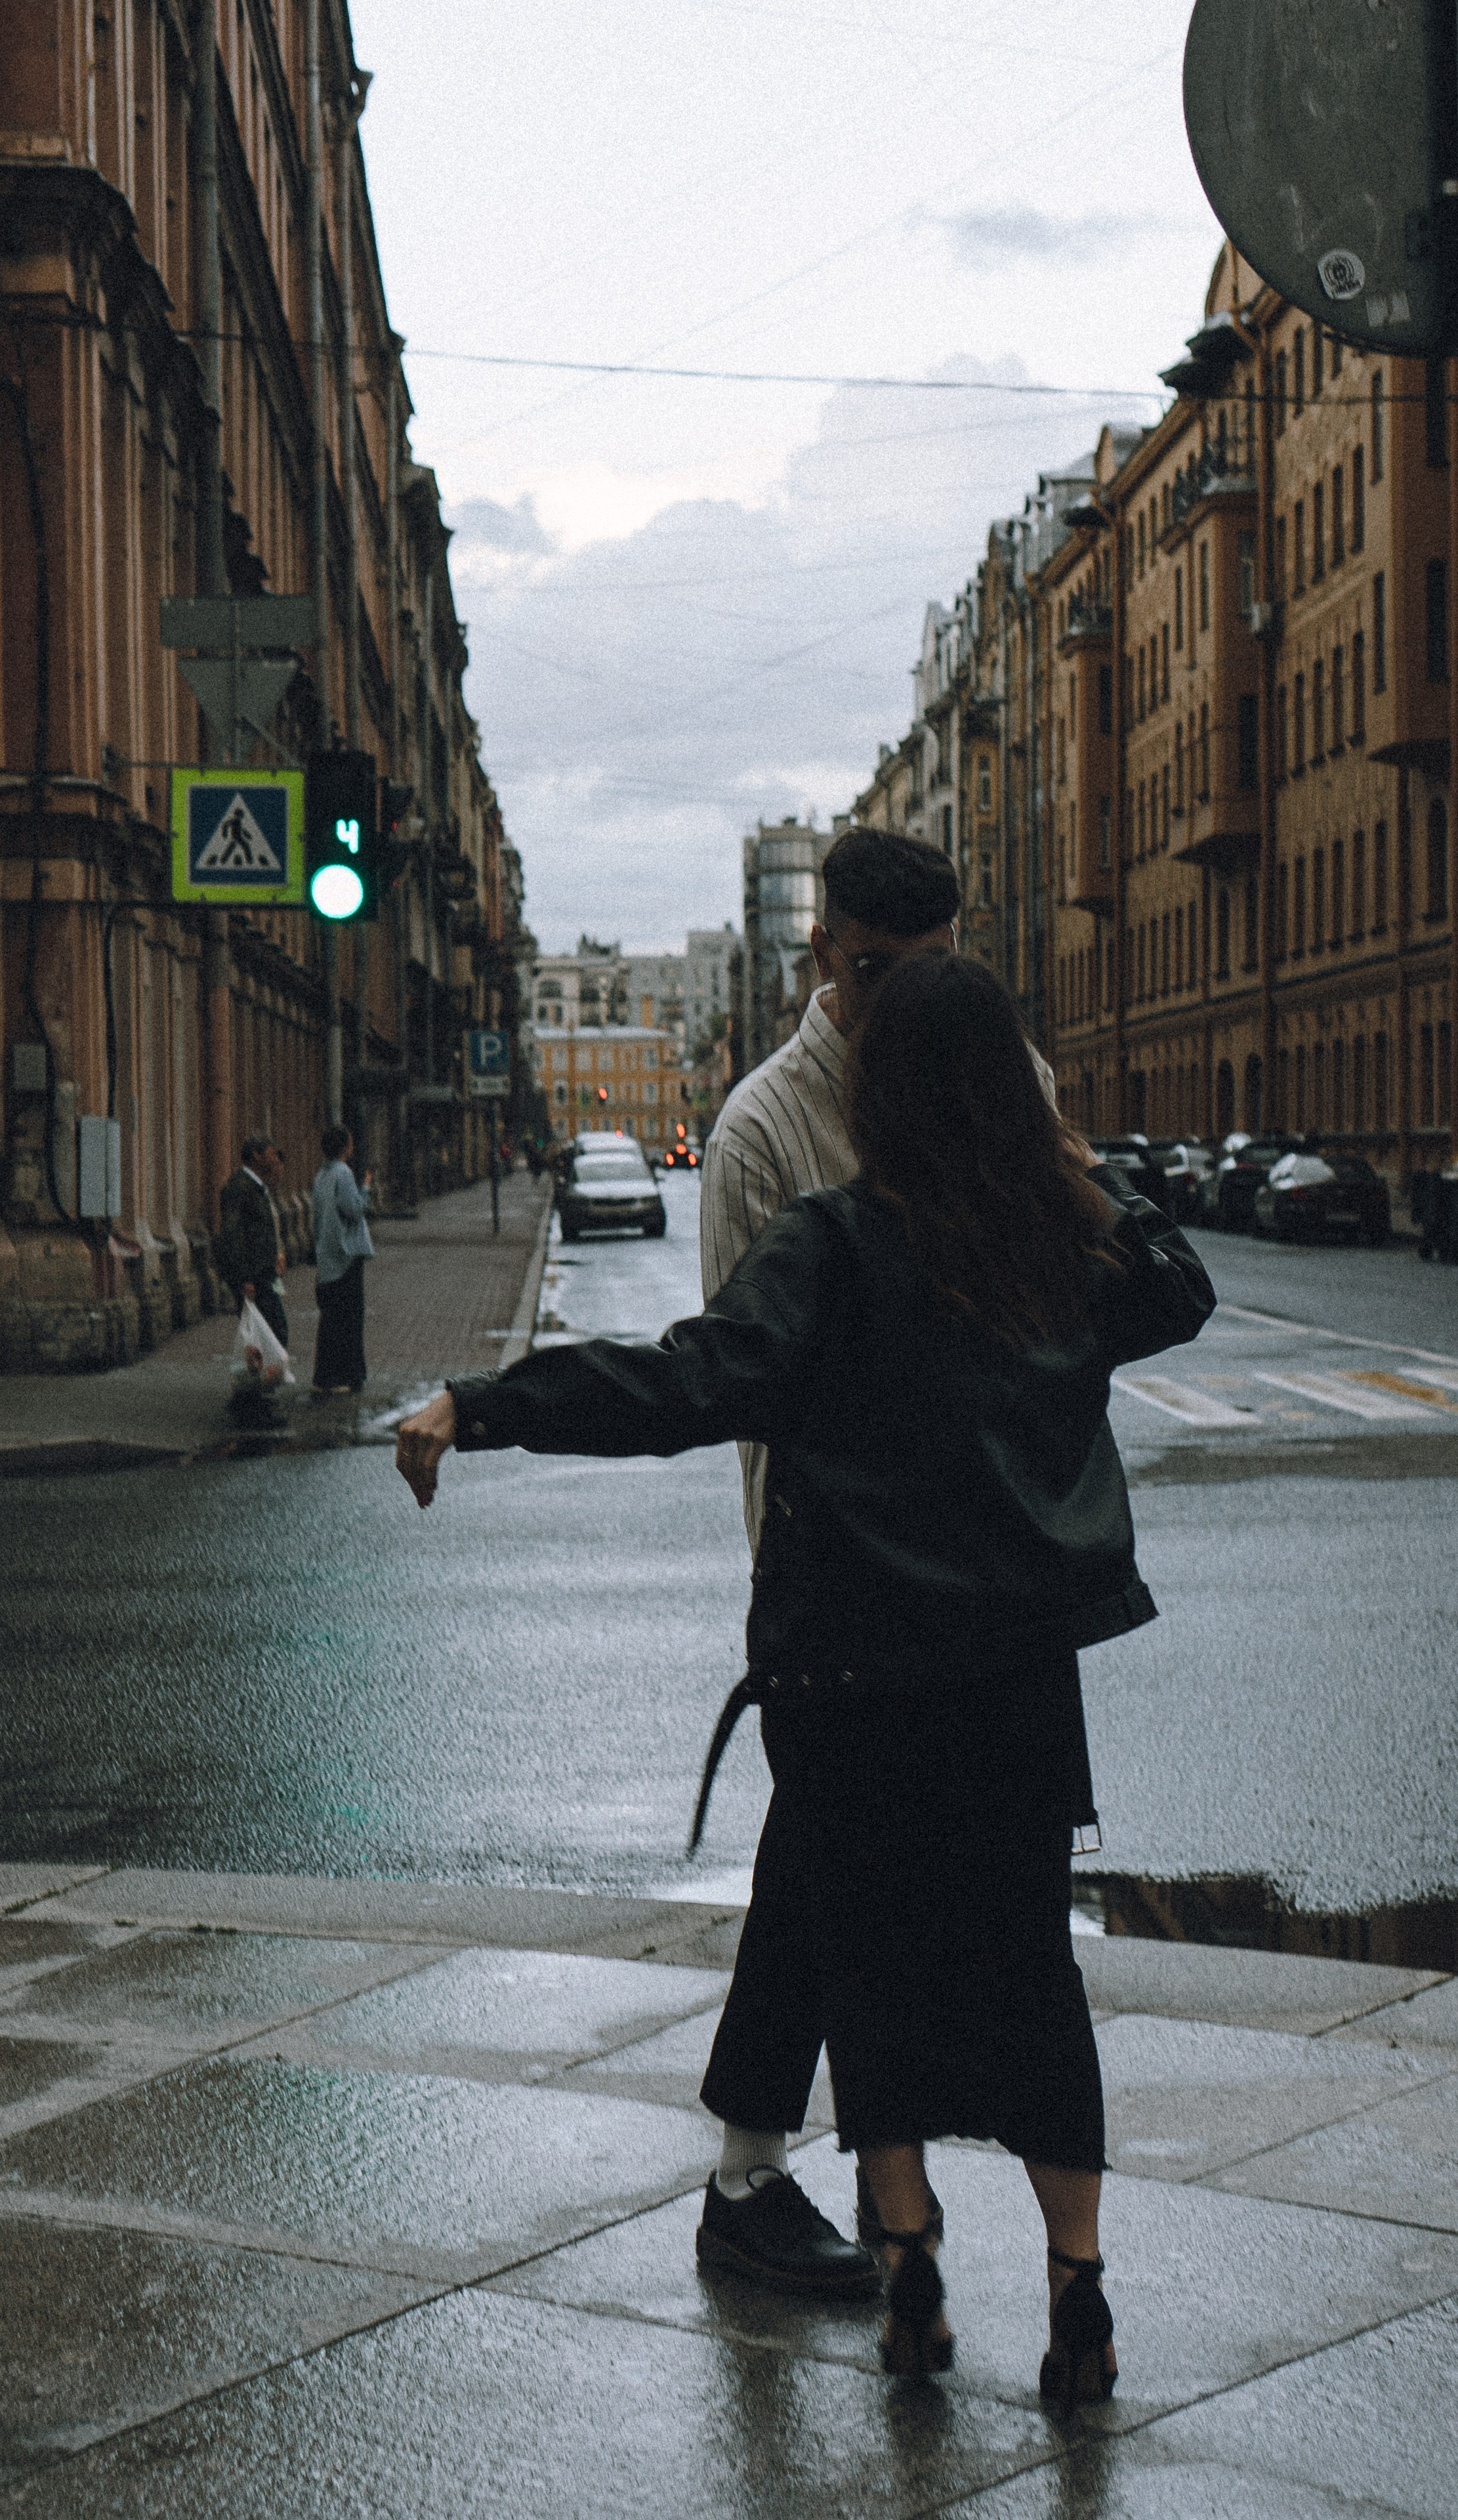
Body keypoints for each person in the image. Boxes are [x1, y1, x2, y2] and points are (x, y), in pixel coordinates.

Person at [396, 950, 1215, 2406]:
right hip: (1018, 1693)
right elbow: (1178, 1282)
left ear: (877, 1094)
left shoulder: (837, 1246)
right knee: (1033, 1981)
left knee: (873, 1978)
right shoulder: (1059, 1253)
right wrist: (1074, 1161)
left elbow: (682, 1382)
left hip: (856, 1690)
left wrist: (486, 1404)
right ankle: (1077, 2288)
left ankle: (908, 2277)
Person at [696, 824, 967, 2294]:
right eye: (875, 976)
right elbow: (749, 1380)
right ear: (821, 959)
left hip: (972, 1571)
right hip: (833, 1583)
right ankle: (757, 2174)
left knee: (895, 1873)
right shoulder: (763, 1132)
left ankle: (873, 2173)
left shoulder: (1002, 1081)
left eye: (929, 977)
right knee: (819, 1865)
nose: (904, 1006)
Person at [311, 1122, 374, 1394]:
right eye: (350, 1142)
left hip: (327, 1256)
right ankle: (349, 1376)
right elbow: (355, 1209)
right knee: (350, 1319)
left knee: (330, 1321)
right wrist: (367, 1188)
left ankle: (325, 1377)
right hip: (346, 1256)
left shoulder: (321, 1176)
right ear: (345, 1147)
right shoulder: (343, 1173)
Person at [217, 1135, 289, 1349]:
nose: (276, 1159)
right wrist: (244, 1278)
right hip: (251, 1277)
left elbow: (258, 1231)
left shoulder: (257, 1187)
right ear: (256, 1156)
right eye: (270, 1153)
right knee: (272, 1331)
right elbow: (233, 1235)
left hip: (262, 1273)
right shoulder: (240, 1188)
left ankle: (263, 1379)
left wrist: (274, 1255)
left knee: (270, 1332)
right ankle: (262, 1379)